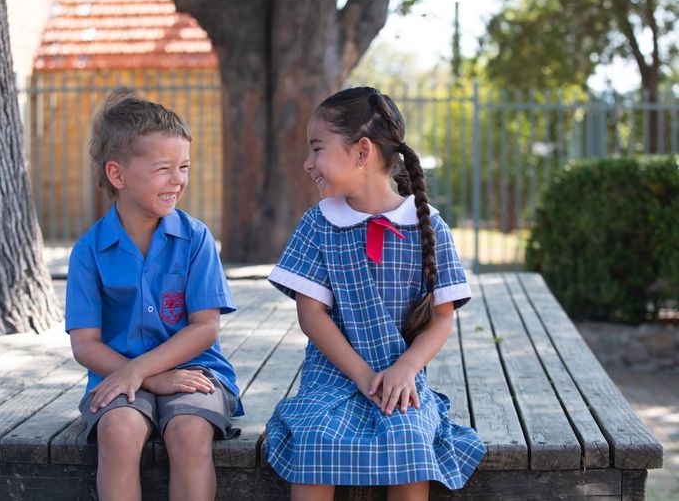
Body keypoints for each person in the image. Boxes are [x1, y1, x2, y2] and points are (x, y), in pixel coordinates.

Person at [265, 87, 485, 500]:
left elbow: (442, 318)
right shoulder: (318, 224)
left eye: (317, 149)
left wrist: (405, 370)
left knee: (409, 437)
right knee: (316, 437)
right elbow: (311, 316)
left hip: (401, 376)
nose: (307, 163)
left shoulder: (428, 226)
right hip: (331, 375)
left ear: (362, 152)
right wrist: (363, 376)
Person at [66, 93, 242, 501]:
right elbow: (85, 343)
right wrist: (147, 376)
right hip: (118, 374)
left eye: (184, 167)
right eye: (163, 169)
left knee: (188, 432)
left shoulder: (196, 239)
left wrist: (143, 372)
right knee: (119, 431)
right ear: (118, 174)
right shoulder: (88, 251)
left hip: (197, 373)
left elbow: (205, 328)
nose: (178, 179)